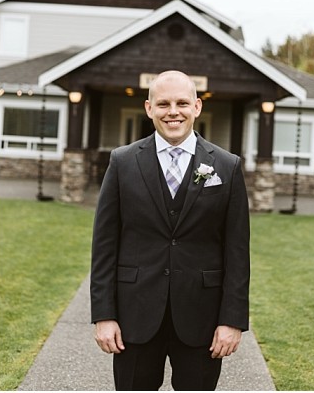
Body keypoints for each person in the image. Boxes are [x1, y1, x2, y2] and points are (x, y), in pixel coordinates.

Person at [91, 70, 250, 390]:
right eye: (163, 103)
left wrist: (232, 320)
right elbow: (104, 244)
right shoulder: (122, 162)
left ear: (197, 107)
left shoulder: (226, 166)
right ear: (149, 108)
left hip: (201, 317)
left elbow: (237, 250)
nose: (172, 111)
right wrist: (104, 315)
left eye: (181, 103)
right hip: (134, 315)